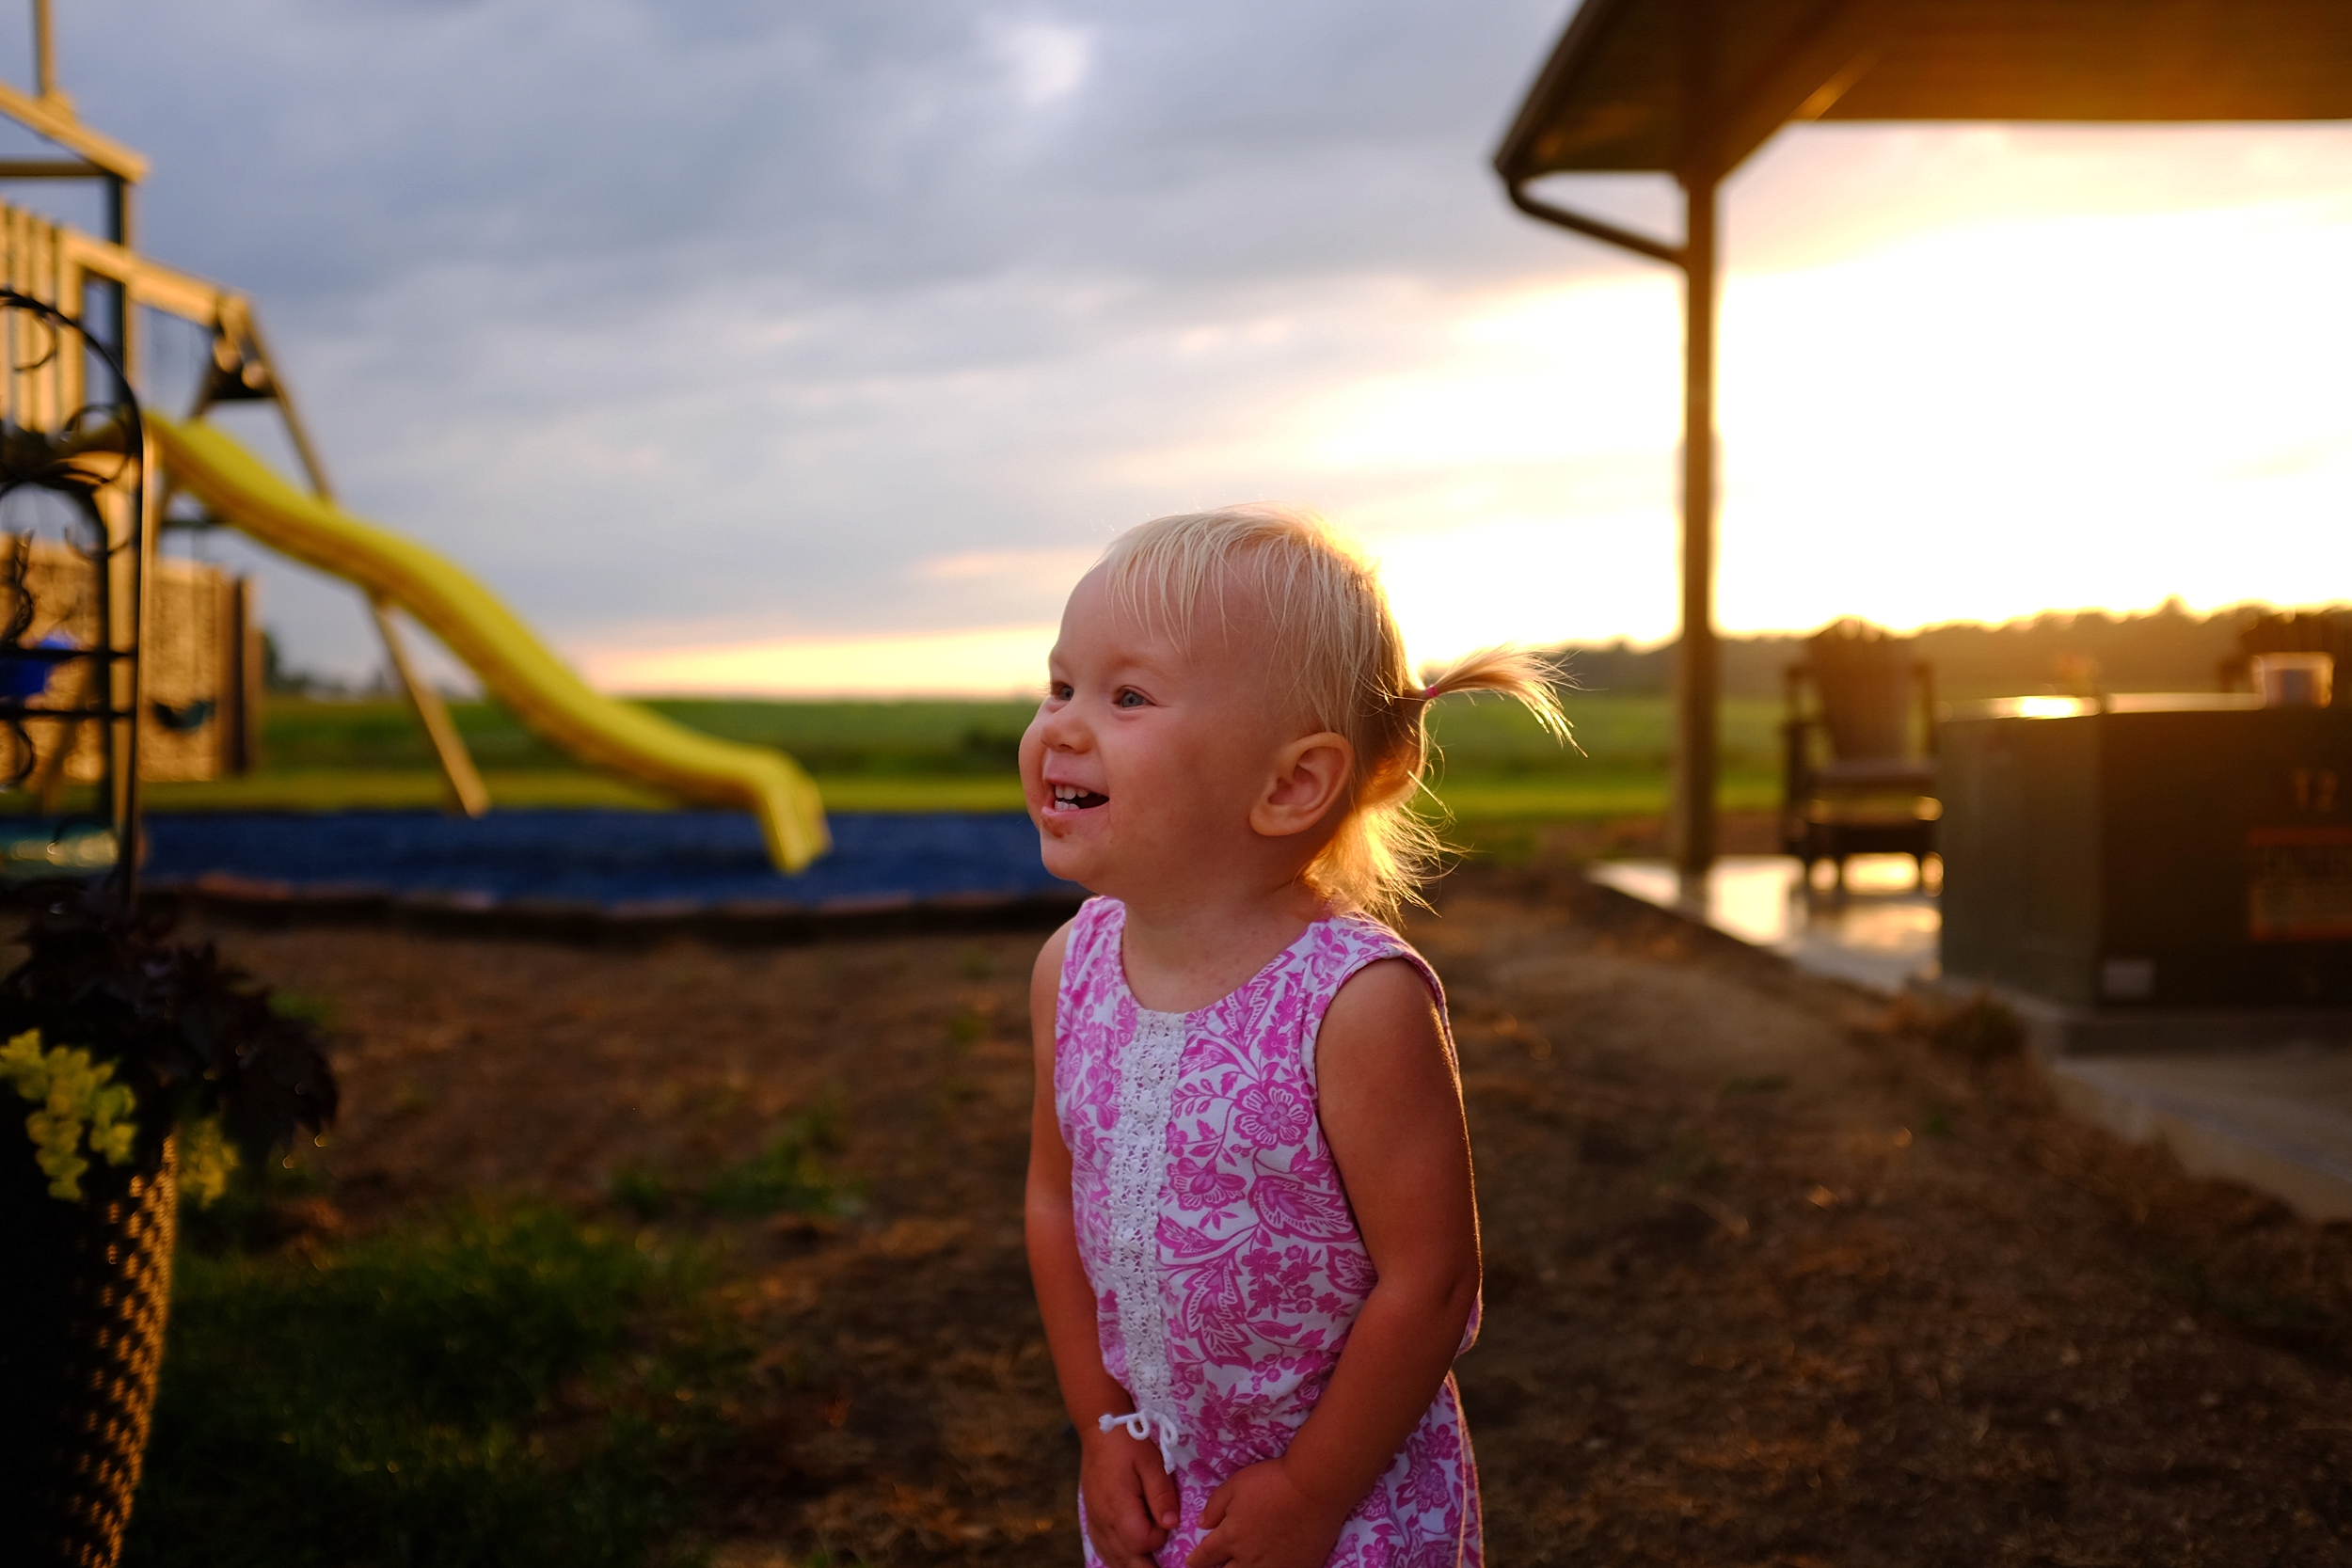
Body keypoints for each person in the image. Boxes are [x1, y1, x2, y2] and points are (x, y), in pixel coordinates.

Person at [1021, 504, 1566, 1567]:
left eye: (1126, 695)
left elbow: (1432, 1281)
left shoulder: (1352, 1003)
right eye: (1060, 684)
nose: (1062, 726)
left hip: (1339, 1505)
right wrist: (1102, 1421)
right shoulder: (1070, 970)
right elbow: (1053, 1198)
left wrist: (1312, 1490)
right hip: (1156, 1484)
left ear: (1290, 784)